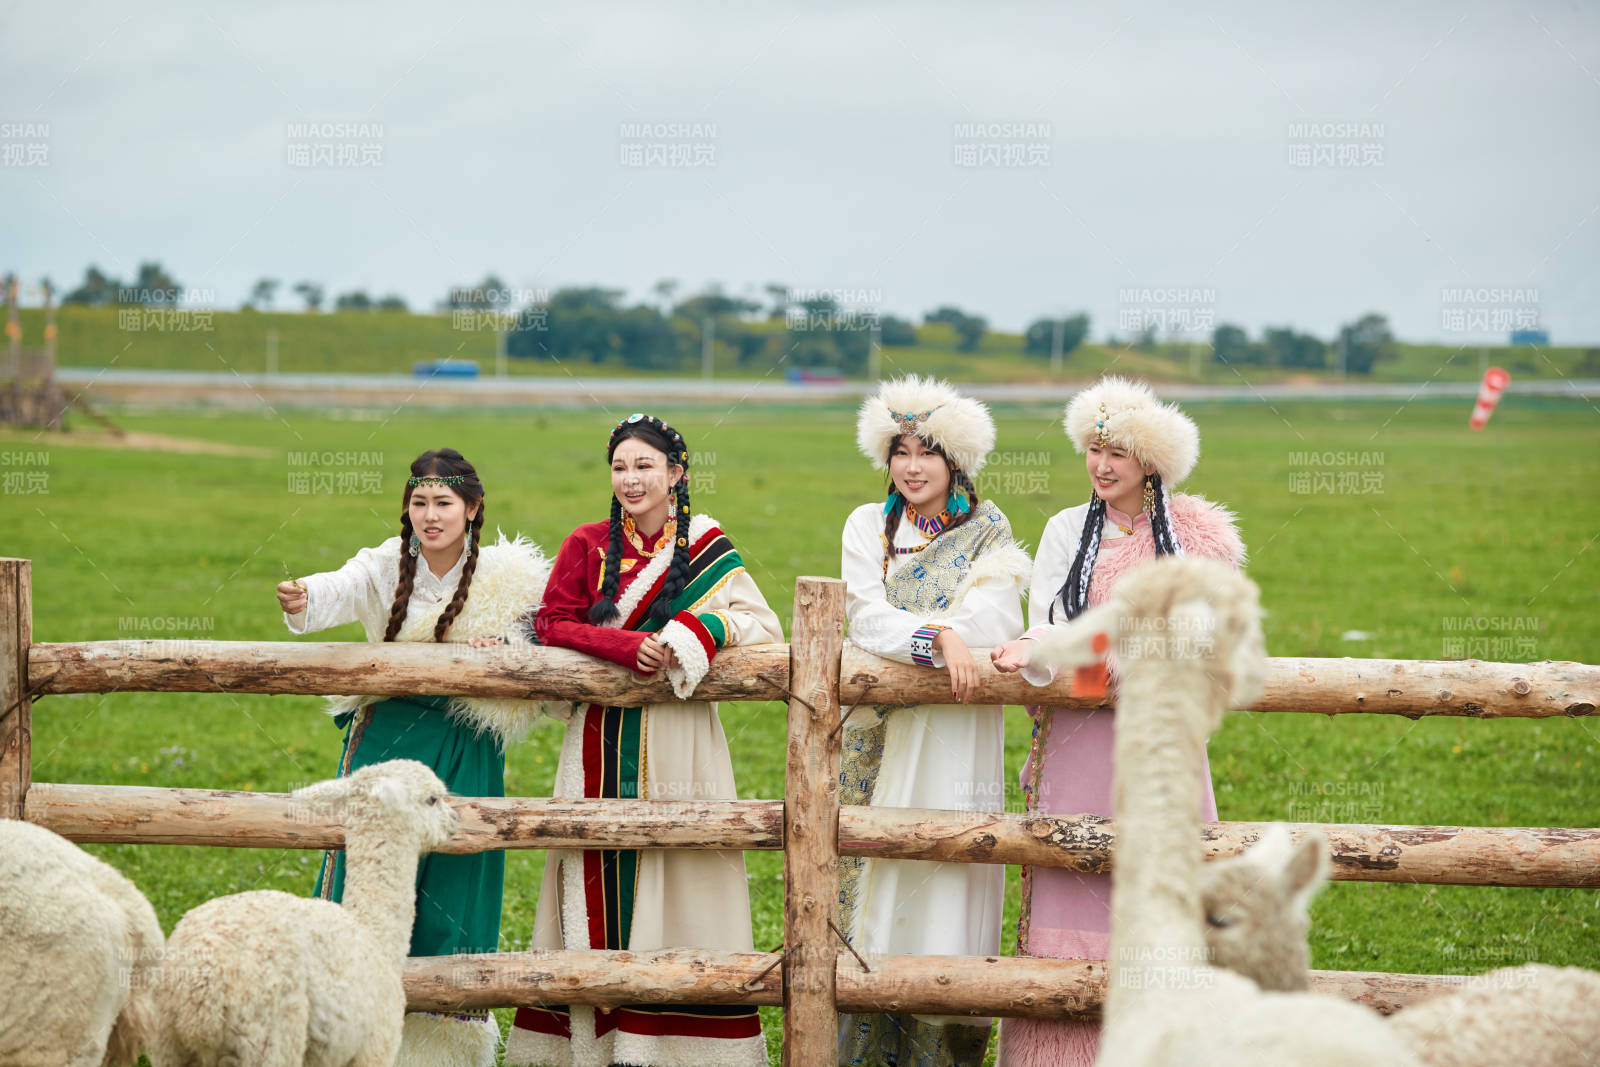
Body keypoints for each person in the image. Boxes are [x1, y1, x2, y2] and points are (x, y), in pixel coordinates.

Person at [503, 413, 784, 1067]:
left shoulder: (709, 545)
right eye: (620, 467)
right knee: (596, 861)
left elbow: (762, 625)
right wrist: (627, 646)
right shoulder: (586, 544)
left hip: (683, 739)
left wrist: (698, 630)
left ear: (675, 473)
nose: (631, 479)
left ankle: (679, 1040)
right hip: (598, 737)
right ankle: (592, 1035)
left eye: (645, 466)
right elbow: (552, 622)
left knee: (683, 868)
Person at [989, 376, 1246, 1066]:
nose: (1101, 466)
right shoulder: (1065, 530)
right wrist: (1046, 649)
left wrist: (1087, 654)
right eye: (1094, 450)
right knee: (1070, 869)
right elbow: (1047, 625)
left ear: (1151, 461)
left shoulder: (1196, 538)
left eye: (1118, 453)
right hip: (1077, 739)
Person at [277, 447, 552, 1067]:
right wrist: (304, 597)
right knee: (369, 871)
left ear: (472, 509)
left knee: (459, 874)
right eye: (420, 502)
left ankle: (440, 1046)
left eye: (444, 503)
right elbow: (340, 587)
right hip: (392, 738)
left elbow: (541, 634)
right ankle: (347, 1027)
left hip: (467, 739)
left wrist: (508, 644)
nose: (431, 515)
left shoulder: (507, 577)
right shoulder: (384, 563)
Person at [837, 376, 1032, 1067]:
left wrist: (947, 634)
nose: (913, 466)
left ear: (957, 461)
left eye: (928, 452)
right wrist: (937, 637)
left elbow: (998, 617)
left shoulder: (989, 529)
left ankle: (944, 1035)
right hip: (882, 730)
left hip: (956, 733)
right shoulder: (868, 525)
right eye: (901, 451)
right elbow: (863, 615)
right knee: (879, 865)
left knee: (949, 870)